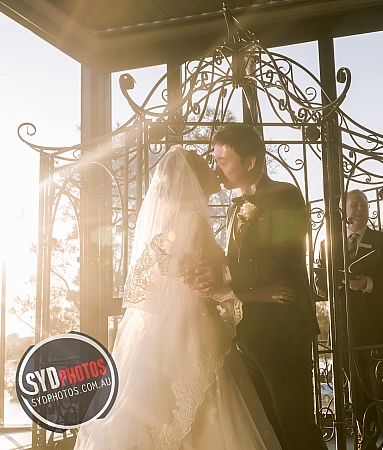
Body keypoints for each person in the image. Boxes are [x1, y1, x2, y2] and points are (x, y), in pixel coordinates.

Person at [74, 146, 288, 450]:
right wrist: (261, 294)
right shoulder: (193, 221)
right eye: (207, 166)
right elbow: (203, 285)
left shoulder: (173, 221)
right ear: (194, 179)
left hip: (164, 333)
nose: (215, 170)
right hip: (194, 331)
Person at [188, 124, 326, 450]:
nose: (217, 168)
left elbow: (286, 259)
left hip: (283, 330)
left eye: (223, 161)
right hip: (246, 331)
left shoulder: (285, 196)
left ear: (250, 162)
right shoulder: (234, 206)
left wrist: (224, 273)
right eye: (215, 160)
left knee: (294, 424)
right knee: (266, 429)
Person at [315, 189, 383, 450]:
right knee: (355, 386)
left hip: (376, 326)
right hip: (345, 326)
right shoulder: (328, 244)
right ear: (343, 211)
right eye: (354, 205)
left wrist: (366, 283)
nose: (360, 210)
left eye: (363, 205)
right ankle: (366, 438)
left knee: (382, 384)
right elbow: (321, 283)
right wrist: (327, 285)